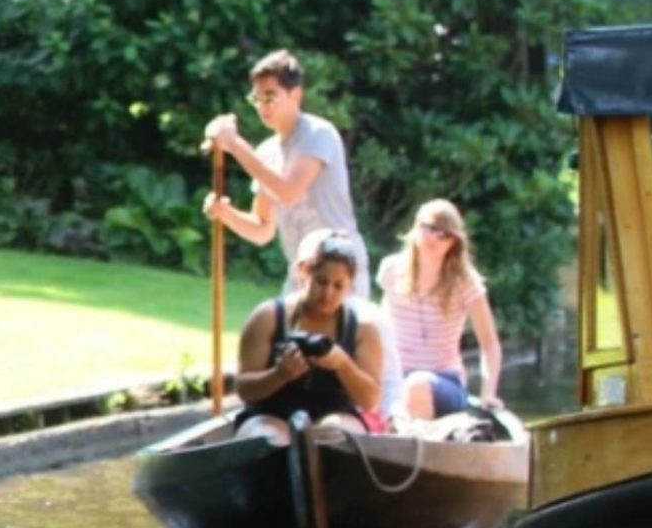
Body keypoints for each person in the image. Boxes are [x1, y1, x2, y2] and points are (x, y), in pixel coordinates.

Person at [202, 50, 370, 299]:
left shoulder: (317, 134)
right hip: (301, 273)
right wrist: (225, 214)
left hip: (340, 270)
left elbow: (289, 191)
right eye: (257, 98)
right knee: (279, 337)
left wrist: (235, 144)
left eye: (270, 97)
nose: (262, 106)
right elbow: (262, 229)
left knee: (331, 339)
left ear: (295, 95)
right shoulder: (266, 152)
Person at [231, 230, 385, 444]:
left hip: (335, 413)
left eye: (338, 286)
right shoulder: (267, 317)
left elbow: (370, 401)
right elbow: (243, 388)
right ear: (304, 272)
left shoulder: (363, 329)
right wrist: (279, 374)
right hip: (269, 413)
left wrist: (343, 364)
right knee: (267, 440)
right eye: (321, 282)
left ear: (349, 286)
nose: (328, 293)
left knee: (338, 437)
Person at [376, 200, 505, 419]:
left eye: (445, 234)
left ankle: (415, 440)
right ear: (416, 228)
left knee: (417, 384)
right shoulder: (390, 270)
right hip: (395, 378)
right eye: (430, 228)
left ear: (453, 243)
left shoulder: (465, 282)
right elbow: (381, 329)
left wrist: (488, 393)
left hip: (444, 380)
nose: (435, 238)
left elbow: (490, 344)